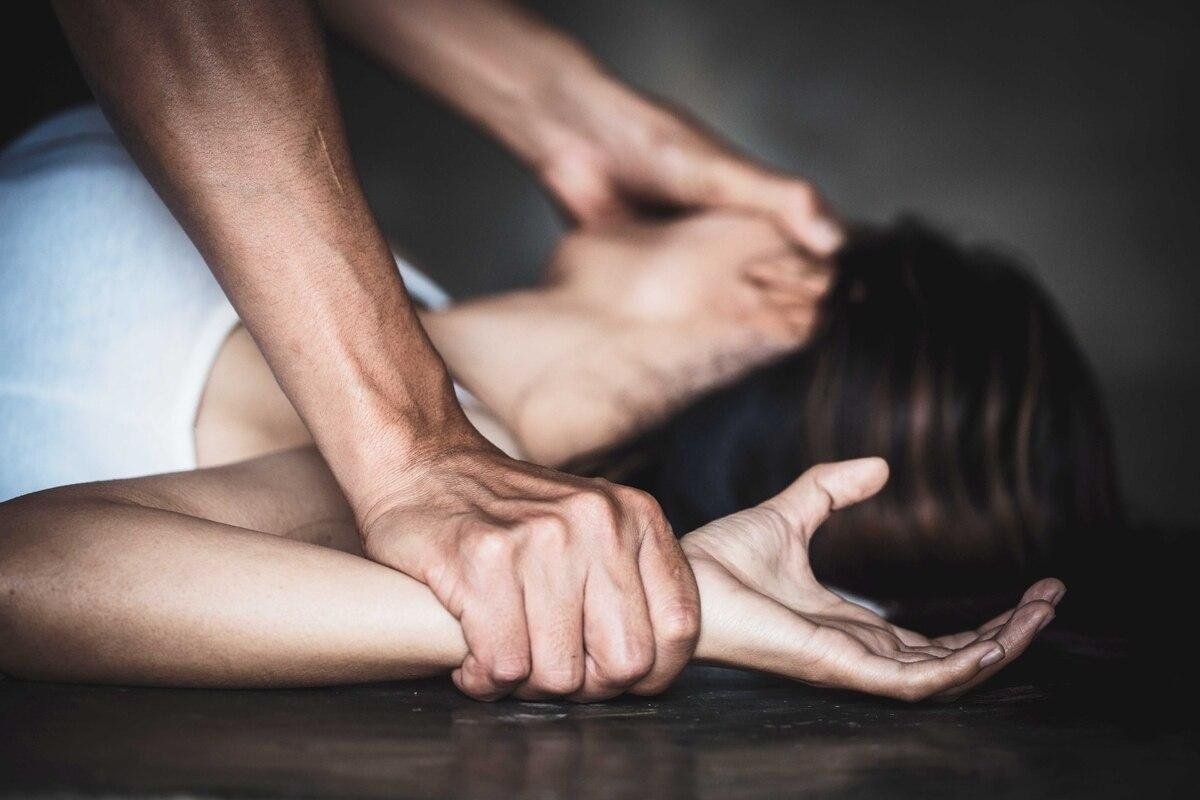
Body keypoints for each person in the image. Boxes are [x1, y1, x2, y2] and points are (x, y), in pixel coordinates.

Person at [0, 104, 1066, 700]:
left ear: (790, 283)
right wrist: (560, 96)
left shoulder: (451, 478)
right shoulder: (360, 300)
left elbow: (18, 575)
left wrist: (637, 604)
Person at [48, 0, 844, 702]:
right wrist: (570, 110)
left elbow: (31, 568)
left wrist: (596, 616)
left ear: (793, 285)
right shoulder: (361, 280)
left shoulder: (454, 502)